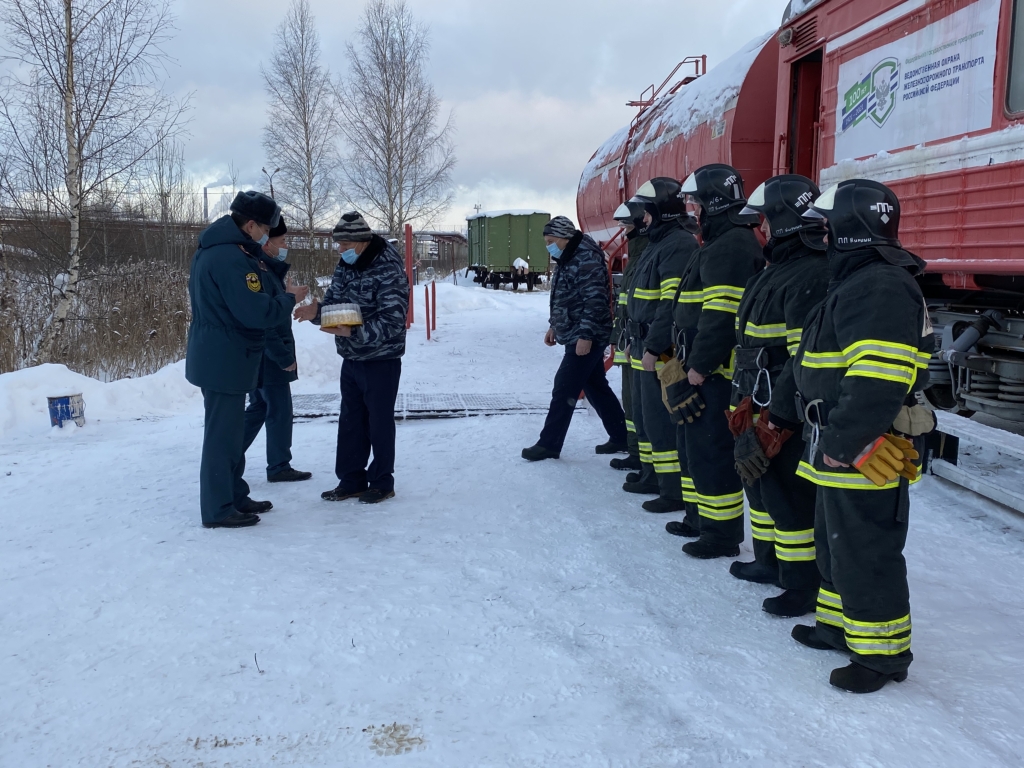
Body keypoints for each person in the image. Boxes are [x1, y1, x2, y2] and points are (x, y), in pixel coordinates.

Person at [789, 179, 933, 694]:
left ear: (849, 229)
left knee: (865, 549)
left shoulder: (880, 286)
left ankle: (881, 657)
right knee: (835, 545)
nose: (820, 238)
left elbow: (878, 380)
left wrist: (843, 443)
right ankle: (838, 626)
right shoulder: (860, 280)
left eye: (826, 228)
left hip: (863, 445)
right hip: (840, 439)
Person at [726, 175, 829, 618]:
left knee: (789, 498)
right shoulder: (778, 271)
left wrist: (778, 419)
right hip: (756, 399)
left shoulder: (808, 276)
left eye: (767, 220)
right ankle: (770, 562)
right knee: (763, 490)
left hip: (781, 410)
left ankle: (801, 585)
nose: (762, 229)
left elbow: (797, 360)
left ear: (786, 222)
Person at [185, 191, 309, 529]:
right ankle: (218, 509)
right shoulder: (230, 258)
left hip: (222, 354)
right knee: (221, 438)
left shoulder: (223, 250)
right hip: (224, 358)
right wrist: (287, 298)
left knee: (230, 432)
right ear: (250, 224)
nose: (267, 235)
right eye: (265, 228)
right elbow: (256, 311)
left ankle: (234, 494)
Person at [667, 164, 763, 557]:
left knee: (711, 454)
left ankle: (721, 536)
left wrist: (698, 368)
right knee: (695, 451)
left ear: (713, 203)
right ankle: (700, 519)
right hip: (701, 370)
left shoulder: (731, 247)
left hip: (715, 375)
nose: (691, 209)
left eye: (695, 201)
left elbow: (721, 317)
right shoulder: (718, 243)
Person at [294, 212, 410, 504]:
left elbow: (394, 321)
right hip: (351, 357)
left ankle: (382, 481)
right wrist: (316, 312)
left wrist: (354, 334)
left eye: (344, 244)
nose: (340, 251)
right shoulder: (346, 264)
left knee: (378, 421)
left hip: (381, 359)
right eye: (338, 245)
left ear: (361, 242)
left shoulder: (388, 267)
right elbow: (335, 302)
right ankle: (351, 480)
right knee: (351, 420)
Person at [522, 215, 627, 461]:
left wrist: (586, 335)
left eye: (550, 241)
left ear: (564, 238)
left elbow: (595, 301)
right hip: (574, 331)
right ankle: (622, 438)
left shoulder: (586, 258)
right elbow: (564, 296)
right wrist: (554, 326)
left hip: (587, 334)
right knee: (596, 387)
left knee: (564, 387)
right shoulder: (567, 256)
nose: (548, 246)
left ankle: (549, 444)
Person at [625, 178, 699, 515]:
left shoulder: (677, 245)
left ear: (661, 211)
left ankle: (672, 491)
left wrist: (654, 348)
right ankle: (654, 476)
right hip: (644, 342)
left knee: (661, 420)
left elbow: (670, 303)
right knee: (647, 418)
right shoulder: (658, 243)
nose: (643, 218)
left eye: (647, 211)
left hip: (662, 349)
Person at [236, 215, 312, 504]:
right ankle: (279, 466)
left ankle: (230, 452)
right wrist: (283, 356)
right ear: (266, 244)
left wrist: (288, 293)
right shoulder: (263, 271)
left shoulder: (264, 268)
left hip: (261, 355)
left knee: (258, 407)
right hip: (270, 355)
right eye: (281, 242)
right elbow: (265, 320)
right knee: (279, 409)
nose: (285, 246)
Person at [609, 200, 650, 473]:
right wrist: (616, 336)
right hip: (629, 342)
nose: (623, 232)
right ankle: (636, 454)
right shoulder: (637, 256)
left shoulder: (647, 254)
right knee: (631, 403)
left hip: (643, 344)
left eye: (626, 226)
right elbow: (625, 302)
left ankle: (647, 462)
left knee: (642, 406)